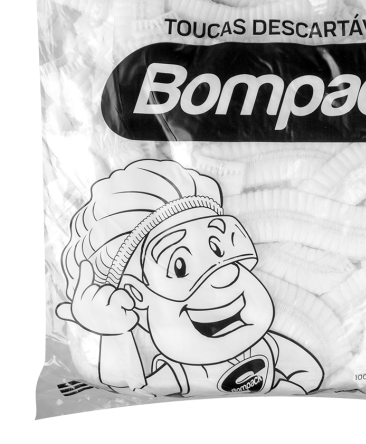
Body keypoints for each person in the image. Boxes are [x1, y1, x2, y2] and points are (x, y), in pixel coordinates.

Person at [57, 159, 324, 396]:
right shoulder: (181, 373)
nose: (222, 278)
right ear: (136, 294)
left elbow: (307, 369)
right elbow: (129, 385)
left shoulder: (266, 346)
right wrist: (113, 333)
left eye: (219, 247)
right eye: (180, 266)